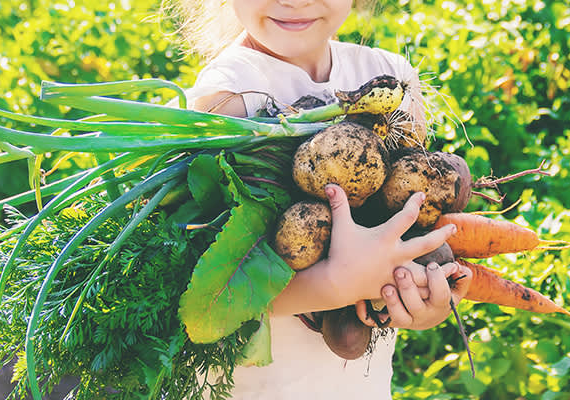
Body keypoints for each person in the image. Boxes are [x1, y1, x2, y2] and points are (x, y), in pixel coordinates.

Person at [166, 1, 472, 398]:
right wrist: (333, 285)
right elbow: (206, 292)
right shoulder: (228, 99)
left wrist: (418, 295)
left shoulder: (391, 81)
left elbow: (410, 212)